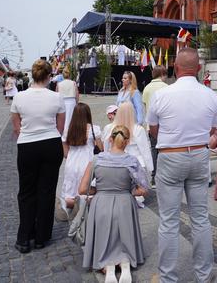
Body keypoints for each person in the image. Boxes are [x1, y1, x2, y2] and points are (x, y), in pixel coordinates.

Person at [147, 48, 217, 282]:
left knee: (169, 221)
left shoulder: (162, 95)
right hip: (199, 154)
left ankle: (168, 277)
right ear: (199, 69)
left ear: (175, 68)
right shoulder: (211, 95)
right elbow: (212, 129)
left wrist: (172, 141)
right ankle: (204, 273)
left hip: (171, 155)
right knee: (200, 218)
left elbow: (153, 129)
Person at [79, 125, 149, 283]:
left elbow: (82, 189)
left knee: (105, 236)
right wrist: (129, 192)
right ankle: (125, 263)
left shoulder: (97, 160)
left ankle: (108, 266)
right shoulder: (131, 161)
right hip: (124, 202)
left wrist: (98, 190)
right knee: (123, 234)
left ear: (110, 139)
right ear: (127, 141)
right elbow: (144, 189)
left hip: (101, 202)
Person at [10, 59, 65, 253]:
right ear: (49, 76)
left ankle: (24, 237)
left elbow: (16, 127)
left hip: (27, 145)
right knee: (46, 191)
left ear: (32, 76)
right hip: (51, 144)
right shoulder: (56, 98)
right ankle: (42, 236)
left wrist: (28, 134)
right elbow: (60, 127)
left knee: (26, 192)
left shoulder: (19, 97)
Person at [59, 103, 102, 218]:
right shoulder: (94, 129)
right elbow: (101, 149)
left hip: (72, 162)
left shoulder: (68, 130)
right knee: (86, 187)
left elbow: (65, 153)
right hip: (87, 161)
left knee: (71, 188)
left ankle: (71, 209)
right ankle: (85, 211)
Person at [112, 102, 153, 181]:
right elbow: (145, 150)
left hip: (117, 162)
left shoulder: (111, 128)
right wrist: (150, 168)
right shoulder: (138, 130)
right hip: (137, 163)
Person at [142, 65, 169, 184]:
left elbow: (145, 107)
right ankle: (164, 176)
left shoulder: (147, 88)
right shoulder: (166, 87)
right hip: (165, 125)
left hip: (151, 125)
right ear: (162, 74)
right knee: (165, 151)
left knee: (154, 150)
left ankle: (153, 177)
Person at [57, 68, 79, 136]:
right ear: (69, 75)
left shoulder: (59, 84)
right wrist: (77, 102)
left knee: (63, 119)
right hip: (72, 101)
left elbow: (56, 94)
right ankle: (72, 133)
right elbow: (76, 94)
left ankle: (64, 134)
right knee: (72, 118)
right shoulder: (73, 83)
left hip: (62, 101)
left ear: (62, 75)